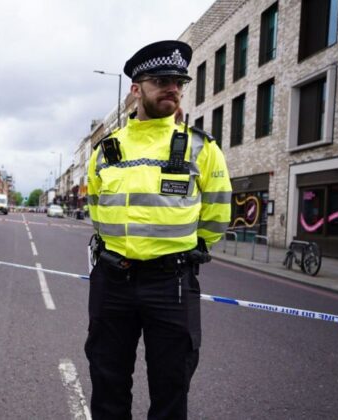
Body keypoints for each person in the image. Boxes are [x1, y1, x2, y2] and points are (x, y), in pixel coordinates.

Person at [85, 40, 232, 419]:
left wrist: (186, 251)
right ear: (136, 89)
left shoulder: (201, 148)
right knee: (107, 380)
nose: (173, 88)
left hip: (171, 283)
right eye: (162, 80)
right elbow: (97, 207)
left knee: (171, 386)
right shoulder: (107, 149)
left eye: (179, 81)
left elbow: (216, 214)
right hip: (112, 279)